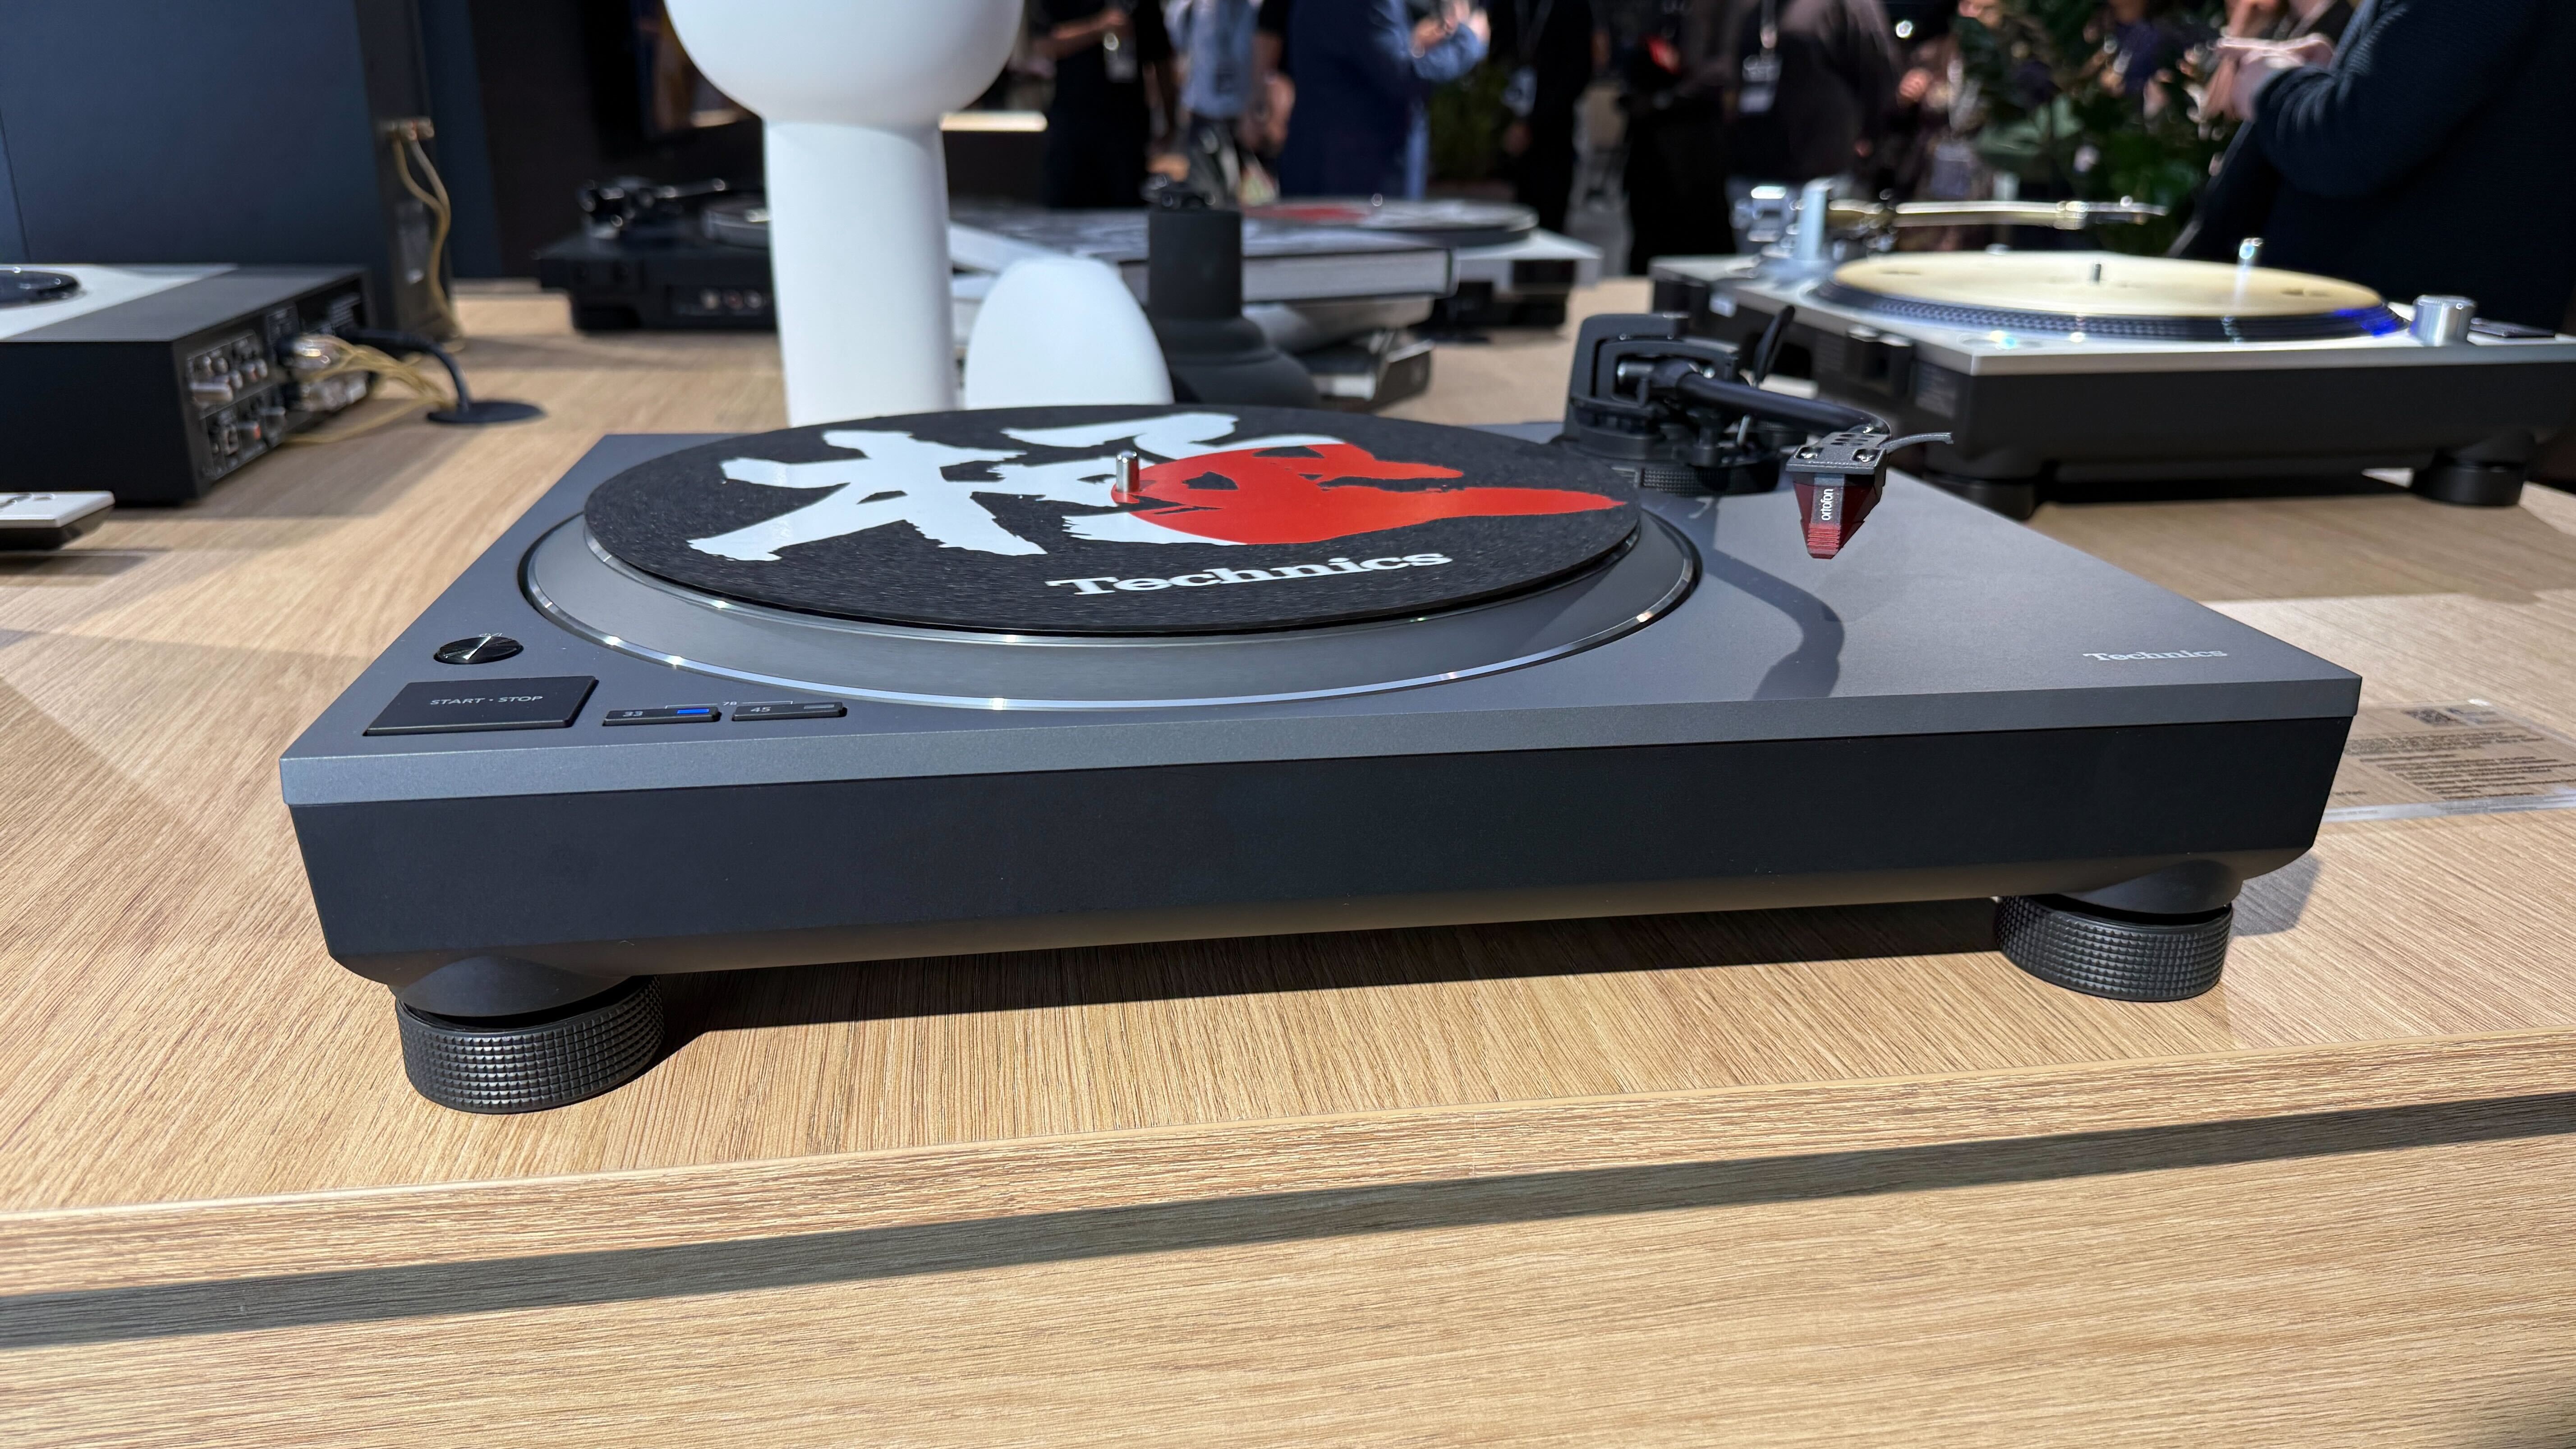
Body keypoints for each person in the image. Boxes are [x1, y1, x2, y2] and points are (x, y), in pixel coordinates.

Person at [2197, 0, 2576, 331]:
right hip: (2417, 349)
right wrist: (2328, 84)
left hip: (2405, 355)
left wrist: (2273, 86)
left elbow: (2352, 145)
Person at [1276, 0, 1490, 199]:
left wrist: (1413, 45)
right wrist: (1468, 41)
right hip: (1361, 179)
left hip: (1331, 168)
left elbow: (1364, 57)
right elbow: (1405, 76)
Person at [1721, 0, 1901, 188]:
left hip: (1824, 174)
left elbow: (1880, 73)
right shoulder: (1751, 8)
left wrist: (1872, 136)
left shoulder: (1849, 5)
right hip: (1751, 171)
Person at [1620, 0, 1735, 272]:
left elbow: (1728, 62)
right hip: (1649, 140)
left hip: (1695, 141)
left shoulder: (1722, 8)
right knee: (1648, 238)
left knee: (1696, 243)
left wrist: (1677, 92)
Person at [1032, 0, 1179, 207]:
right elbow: (1044, 44)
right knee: (1067, 207)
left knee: (1124, 210)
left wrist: (1170, 119)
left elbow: (1161, 61)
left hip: (1125, 127)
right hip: (1074, 125)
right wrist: (1097, 28)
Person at [1487, 0, 1604, 234]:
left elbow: (1578, 71)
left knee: (1550, 220)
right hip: (1509, 129)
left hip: (1553, 134)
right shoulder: (1508, 7)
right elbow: (1496, 57)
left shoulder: (1573, 8)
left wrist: (1533, 125)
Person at [1167, 0, 1265, 197]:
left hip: (1250, 122)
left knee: (1258, 205)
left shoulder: (1259, 7)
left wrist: (1257, 112)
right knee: (1208, 205)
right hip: (1205, 121)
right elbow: (1178, 58)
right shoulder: (1187, 8)